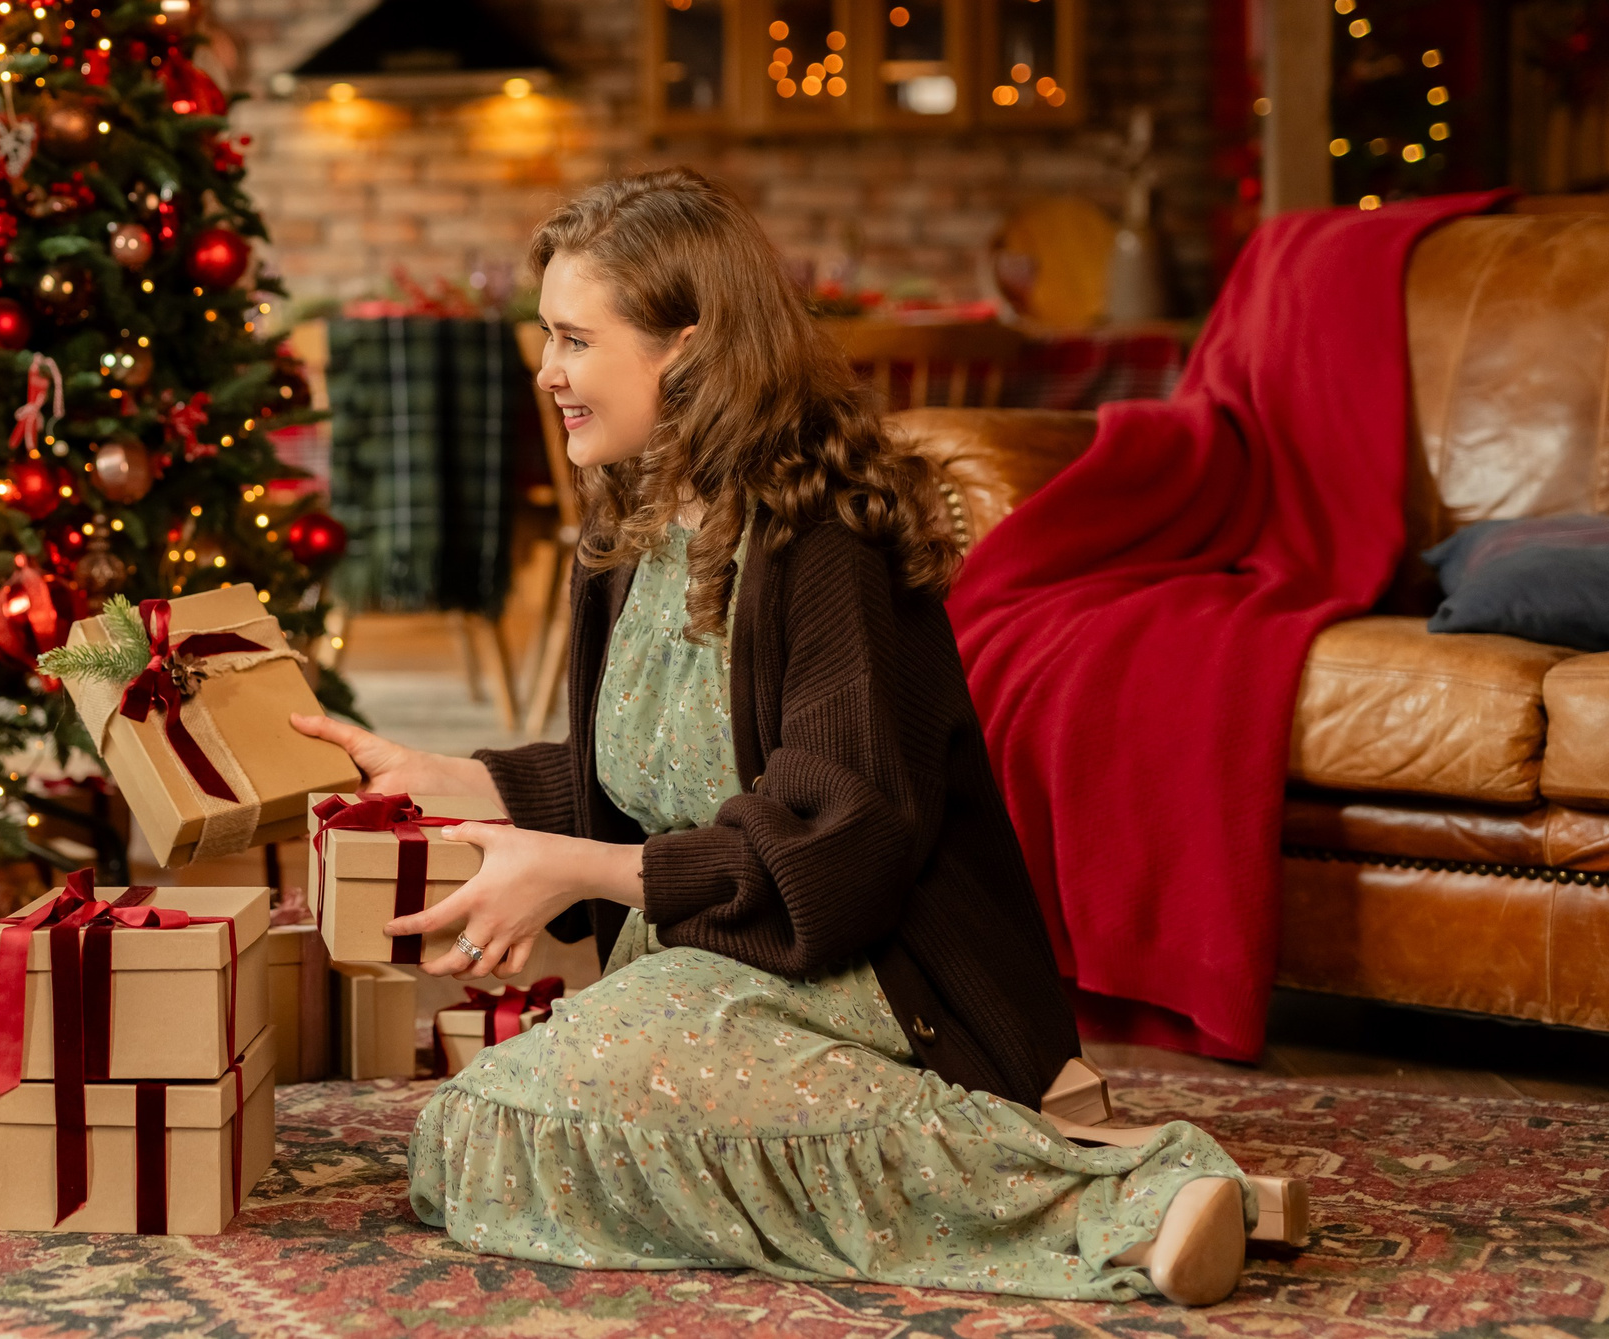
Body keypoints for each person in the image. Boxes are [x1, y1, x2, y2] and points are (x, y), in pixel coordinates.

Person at [291, 169, 1255, 1306]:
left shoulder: (823, 538)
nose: (546, 371)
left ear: (687, 352)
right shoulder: (632, 523)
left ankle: (1116, 1201)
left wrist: (578, 875)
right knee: (477, 1132)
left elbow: (838, 847)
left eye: (572, 338)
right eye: (544, 336)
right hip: (713, 951)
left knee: (527, 1114)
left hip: (870, 973)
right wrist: (448, 778)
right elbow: (648, 775)